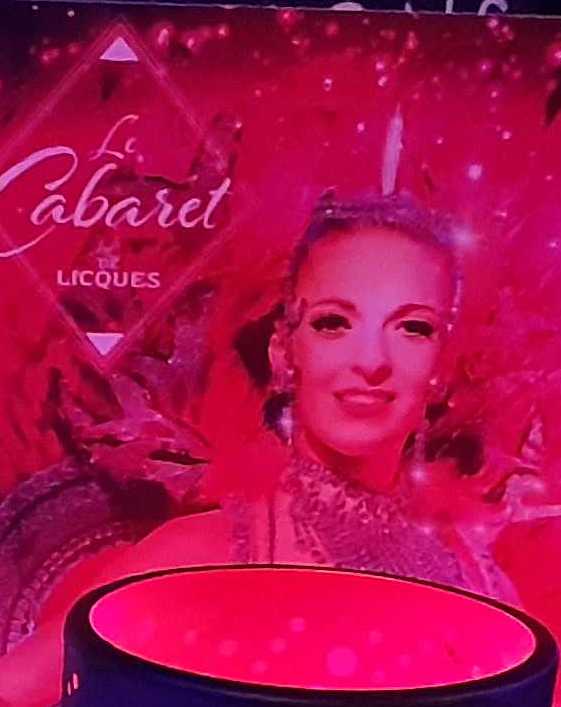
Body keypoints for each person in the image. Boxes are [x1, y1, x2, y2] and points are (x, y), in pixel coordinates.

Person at [219, 198, 512, 596]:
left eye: (412, 328)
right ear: (284, 350)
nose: (372, 361)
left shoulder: (477, 577)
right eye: (333, 323)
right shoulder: (202, 556)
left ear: (441, 367)